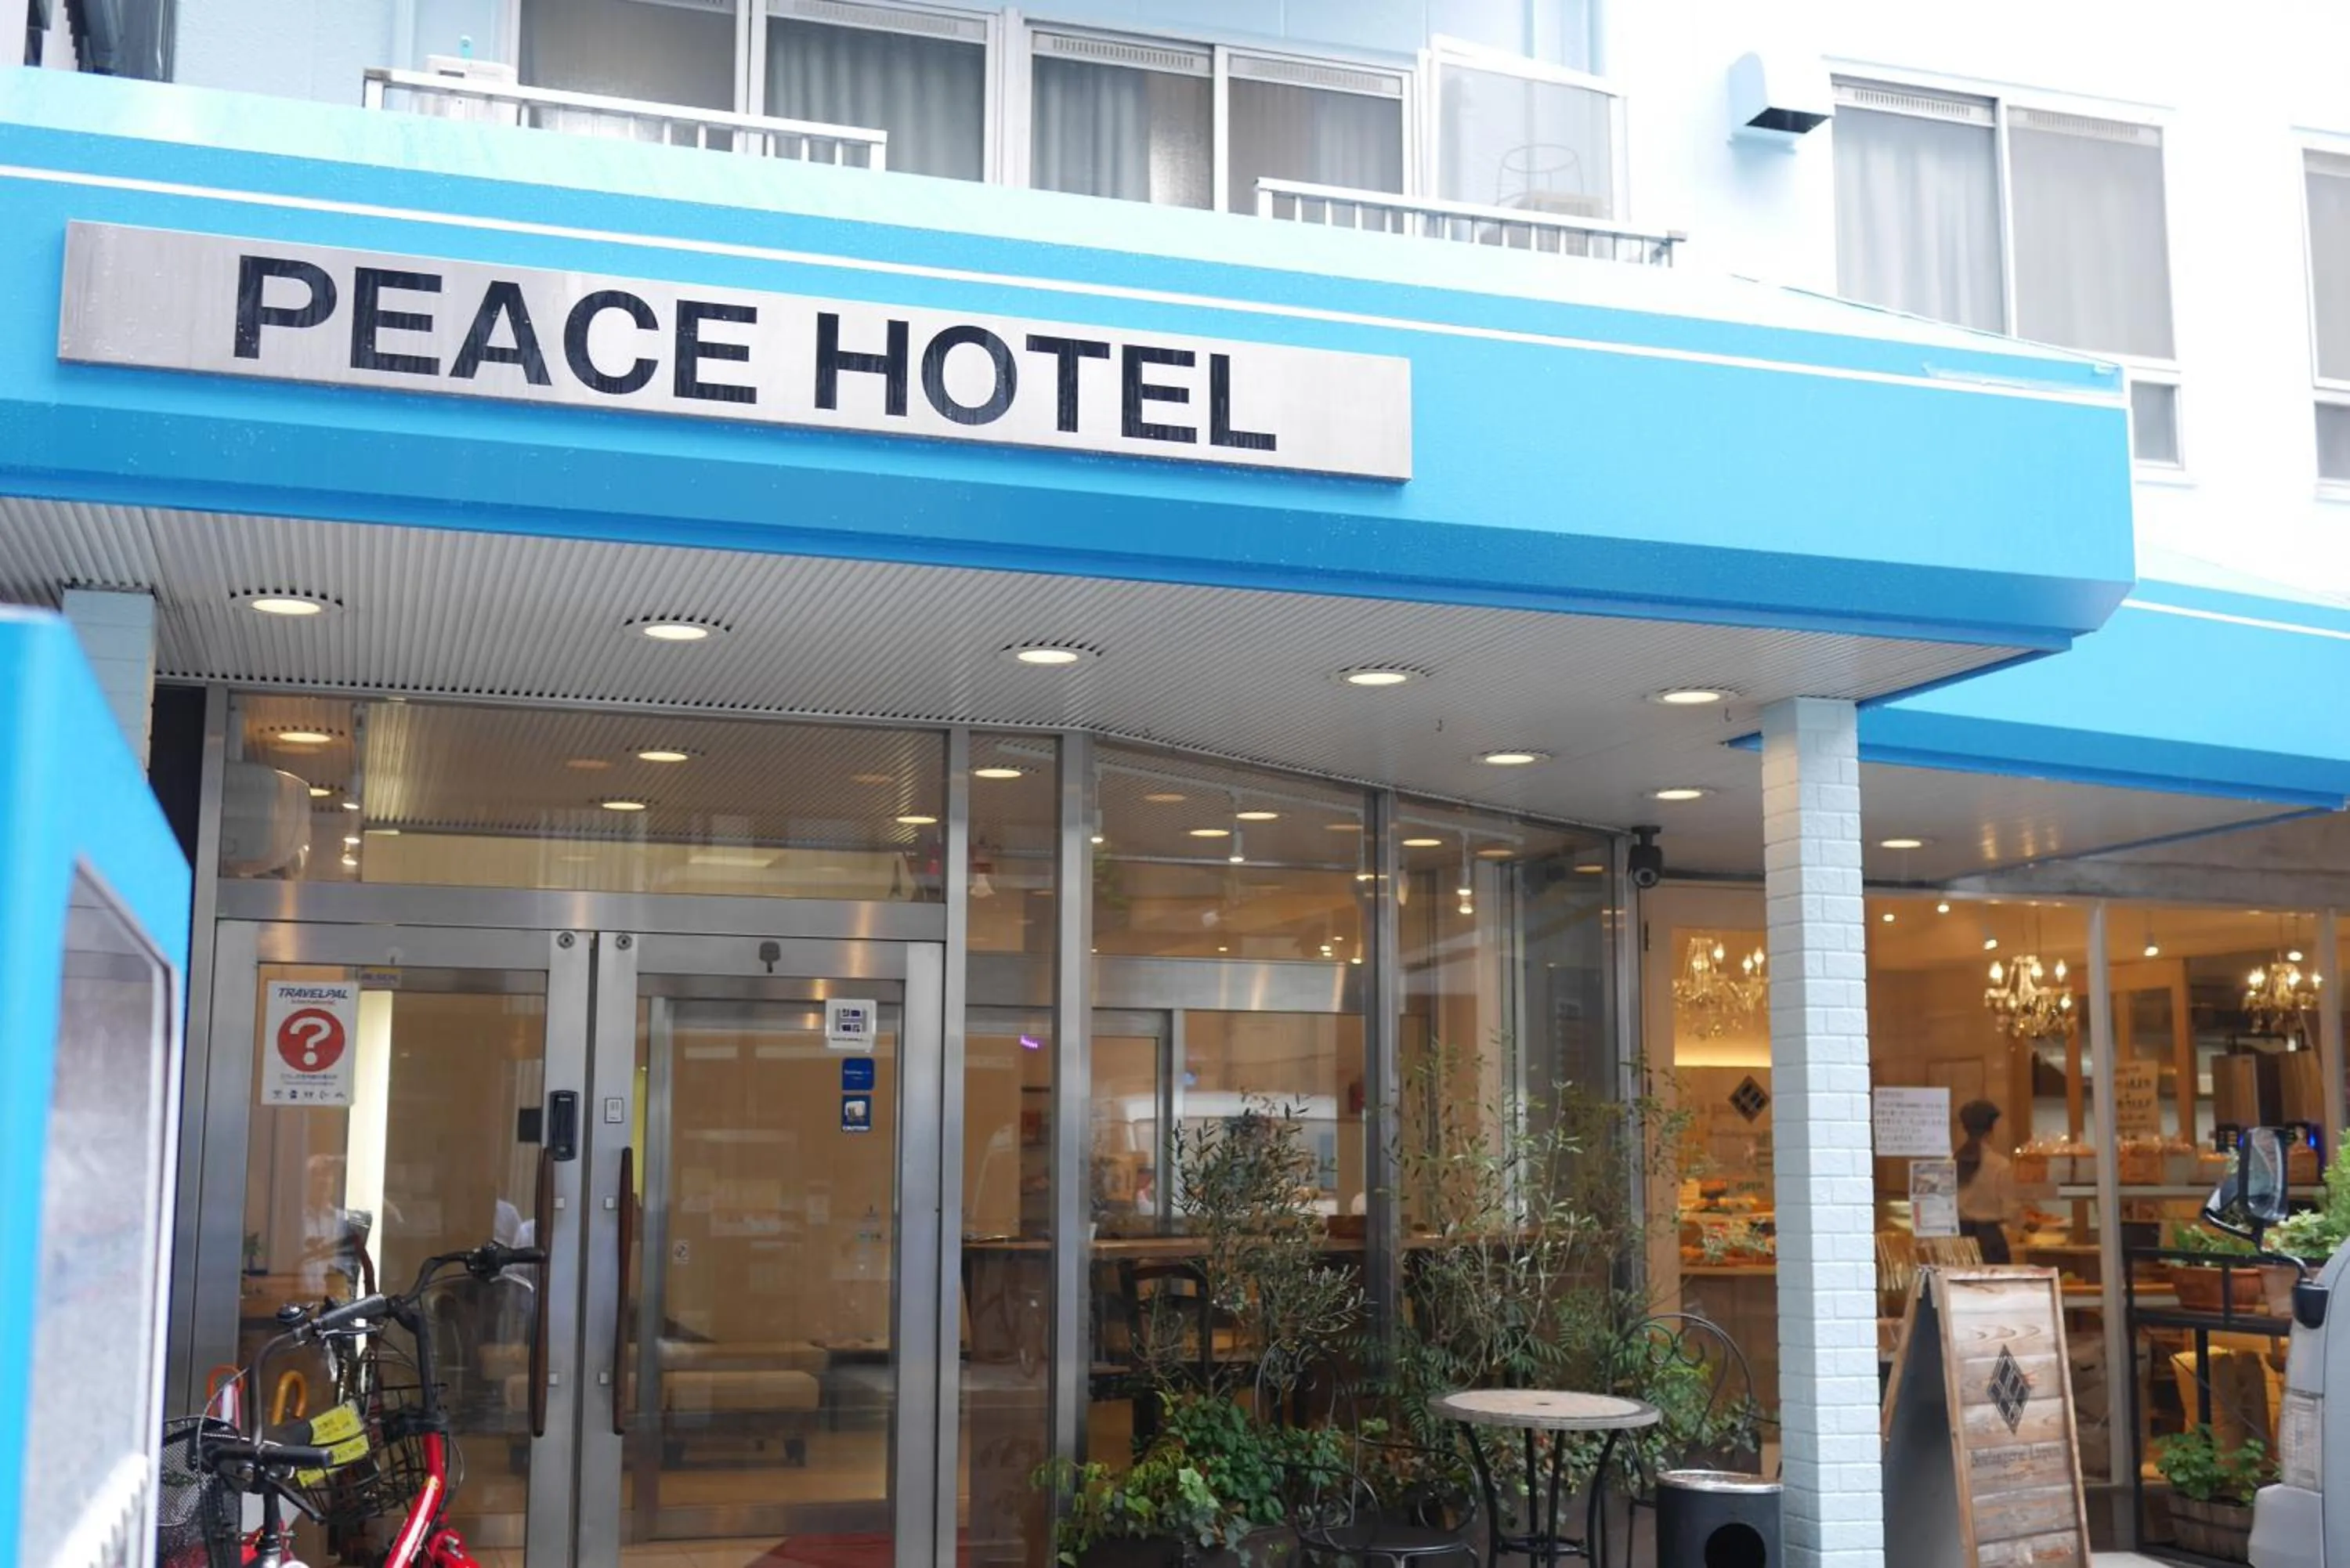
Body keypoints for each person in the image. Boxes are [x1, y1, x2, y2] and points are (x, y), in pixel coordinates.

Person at [1955, 1099, 2018, 1265]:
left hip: (1956, 1240)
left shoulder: (1950, 1163)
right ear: (1992, 1128)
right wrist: (2027, 1223)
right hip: (1989, 1240)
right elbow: (2010, 1210)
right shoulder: (2000, 1164)